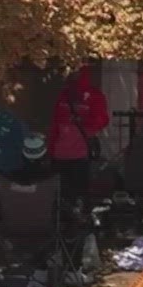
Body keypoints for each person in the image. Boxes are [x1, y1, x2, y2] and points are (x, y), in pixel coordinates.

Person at [48, 66, 108, 204]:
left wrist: (84, 123)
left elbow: (102, 120)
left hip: (80, 155)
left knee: (79, 191)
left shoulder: (94, 96)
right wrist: (51, 149)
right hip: (60, 154)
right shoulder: (64, 95)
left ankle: (78, 217)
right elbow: (55, 125)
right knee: (60, 191)